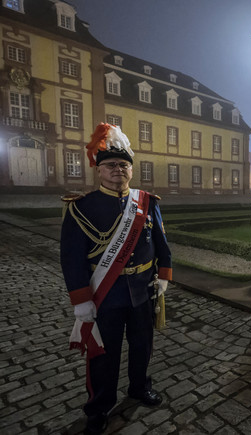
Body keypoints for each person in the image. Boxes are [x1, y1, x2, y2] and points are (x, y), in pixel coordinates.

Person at [60, 123, 172, 434]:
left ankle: (139, 387)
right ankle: (98, 407)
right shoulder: (81, 208)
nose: (118, 170)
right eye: (110, 165)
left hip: (142, 290)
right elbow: (71, 259)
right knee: (103, 356)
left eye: (124, 165)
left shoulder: (148, 202)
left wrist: (163, 275)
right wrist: (81, 300)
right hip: (104, 295)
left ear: (131, 170)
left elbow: (162, 243)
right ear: (98, 169)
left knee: (142, 346)